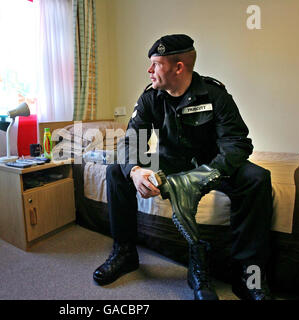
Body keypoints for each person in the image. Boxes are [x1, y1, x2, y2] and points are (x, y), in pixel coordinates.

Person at [93, 34, 273, 300]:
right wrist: (135, 170)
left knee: (257, 177)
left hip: (211, 165)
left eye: (155, 64)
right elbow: (132, 140)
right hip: (169, 162)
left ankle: (248, 273)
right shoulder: (150, 98)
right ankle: (125, 252)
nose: (149, 70)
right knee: (116, 171)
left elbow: (236, 144)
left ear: (178, 67)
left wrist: (201, 176)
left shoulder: (215, 95)